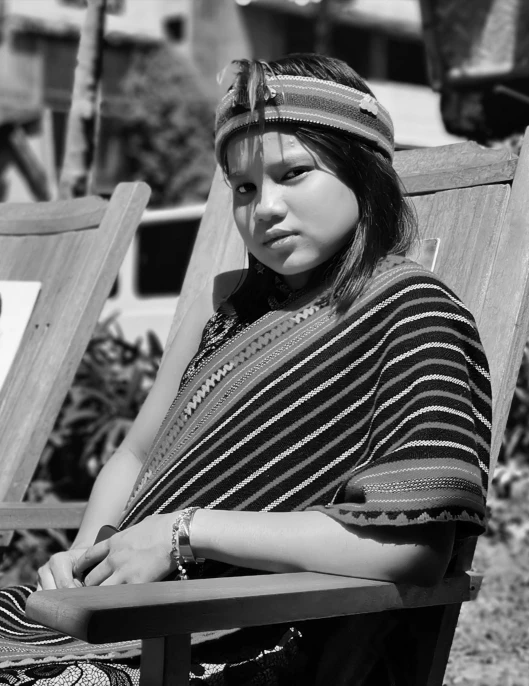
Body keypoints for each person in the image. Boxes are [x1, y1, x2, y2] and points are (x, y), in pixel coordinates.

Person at [0, 54, 491, 685]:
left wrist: (185, 533)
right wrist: (82, 560)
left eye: (294, 174)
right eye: (245, 187)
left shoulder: (413, 315)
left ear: (364, 175)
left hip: (236, 638)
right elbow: (133, 455)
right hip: (118, 614)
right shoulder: (225, 311)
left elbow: (418, 549)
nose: (264, 208)